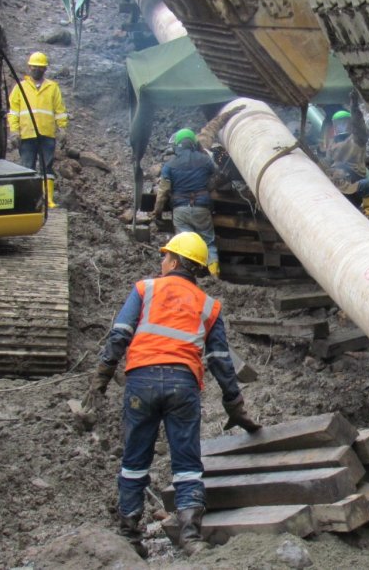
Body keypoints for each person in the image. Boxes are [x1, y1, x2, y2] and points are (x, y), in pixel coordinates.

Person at [93, 232, 260, 558]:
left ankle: (129, 536)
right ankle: (190, 537)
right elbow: (219, 361)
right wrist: (234, 403)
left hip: (140, 381)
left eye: (165, 255)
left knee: (134, 461)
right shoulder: (208, 305)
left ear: (175, 261)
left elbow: (120, 335)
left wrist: (100, 379)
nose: (162, 260)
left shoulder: (145, 289)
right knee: (186, 463)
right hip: (182, 386)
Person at [152, 128, 221, 277]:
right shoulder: (205, 160)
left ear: (177, 145)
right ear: (194, 143)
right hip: (202, 208)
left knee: (184, 244)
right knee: (208, 242)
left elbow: (163, 191)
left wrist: (157, 212)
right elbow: (218, 175)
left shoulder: (170, 165)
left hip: (180, 210)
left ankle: (188, 277)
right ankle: (214, 275)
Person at [7, 51, 68, 208]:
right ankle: (27, 200)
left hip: (47, 134)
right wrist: (14, 132)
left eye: (40, 67)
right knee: (27, 167)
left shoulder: (52, 87)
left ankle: (47, 199)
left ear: (45, 69)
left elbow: (59, 110)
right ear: (29, 67)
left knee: (46, 167)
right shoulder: (21, 88)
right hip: (27, 134)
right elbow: (13, 112)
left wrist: (62, 128)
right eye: (34, 67)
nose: (36, 70)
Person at [320, 109, 369, 219]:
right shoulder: (332, 143)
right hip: (337, 185)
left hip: (353, 182)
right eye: (338, 123)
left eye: (344, 122)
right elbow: (326, 163)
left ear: (350, 123)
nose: (341, 126)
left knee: (368, 185)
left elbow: (362, 130)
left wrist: (355, 108)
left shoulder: (356, 139)